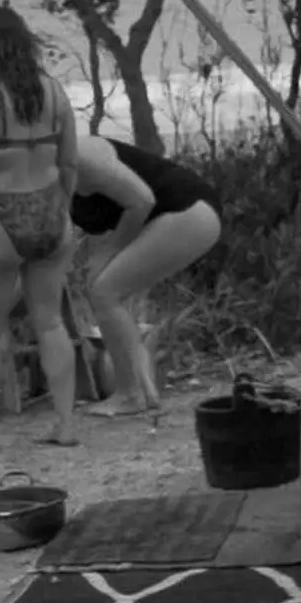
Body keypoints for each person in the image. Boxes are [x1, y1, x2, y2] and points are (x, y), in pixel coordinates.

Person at [0, 5, 82, 455]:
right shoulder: (55, 90)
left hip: (0, 216)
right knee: (49, 321)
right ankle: (65, 424)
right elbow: (69, 162)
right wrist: (62, 209)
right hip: (50, 210)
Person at [66, 132, 224, 418]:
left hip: (189, 210)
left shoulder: (81, 154)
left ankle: (130, 395)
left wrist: (110, 252)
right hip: (173, 217)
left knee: (105, 291)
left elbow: (141, 200)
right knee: (109, 294)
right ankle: (144, 390)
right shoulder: (42, 183)